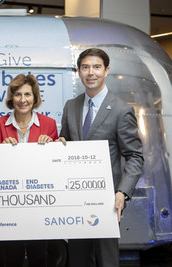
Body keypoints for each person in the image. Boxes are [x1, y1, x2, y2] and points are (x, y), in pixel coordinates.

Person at [59, 48, 144, 267]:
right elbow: (66, 144)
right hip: (76, 197)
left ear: (106, 70)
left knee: (107, 260)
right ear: (78, 71)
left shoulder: (121, 110)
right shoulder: (71, 106)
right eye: (85, 67)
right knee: (78, 259)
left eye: (97, 67)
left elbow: (134, 156)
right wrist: (59, 146)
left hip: (107, 200)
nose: (91, 73)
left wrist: (122, 192)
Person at [0, 73, 59, 267]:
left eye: (27, 95)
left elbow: (54, 165)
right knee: (11, 256)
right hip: (9, 201)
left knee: (39, 256)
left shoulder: (49, 125)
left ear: (35, 98)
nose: (22, 100)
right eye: (18, 94)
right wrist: (1, 149)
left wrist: (54, 145)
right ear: (12, 98)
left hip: (39, 200)